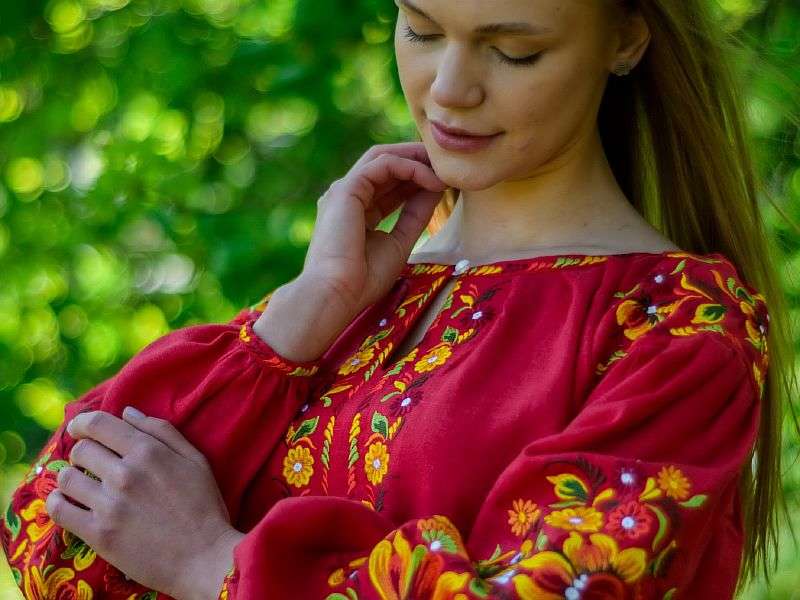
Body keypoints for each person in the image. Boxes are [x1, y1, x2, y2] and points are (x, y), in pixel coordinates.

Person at [1, 0, 794, 598]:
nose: (449, 90)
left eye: (514, 52)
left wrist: (216, 565)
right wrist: (299, 320)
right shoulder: (350, 300)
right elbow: (55, 543)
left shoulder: (679, 323)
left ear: (625, 38)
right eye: (419, 29)